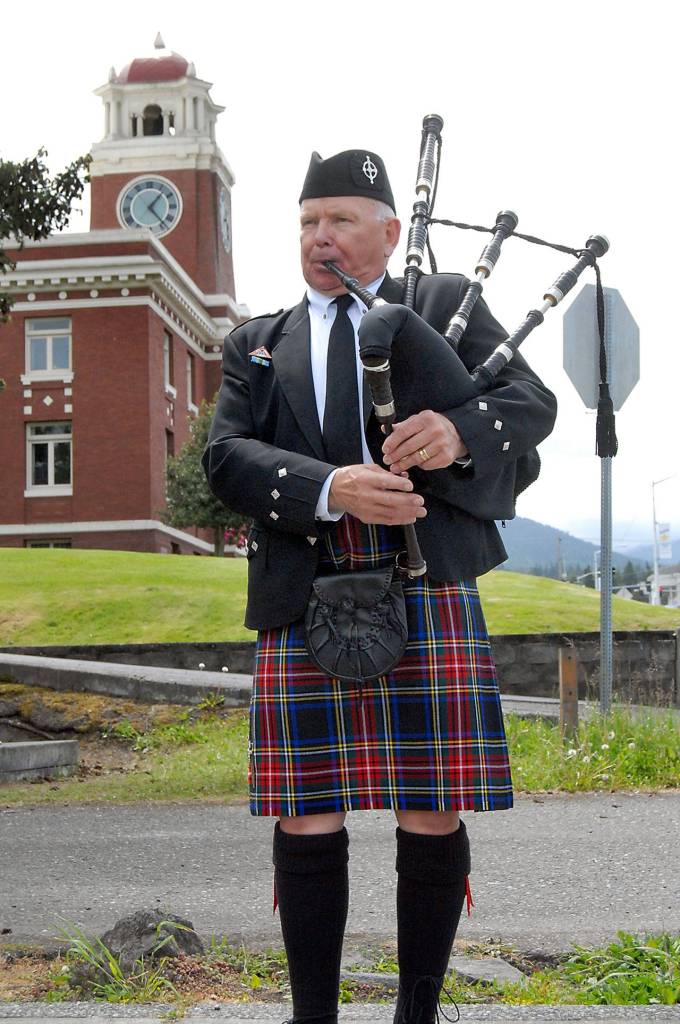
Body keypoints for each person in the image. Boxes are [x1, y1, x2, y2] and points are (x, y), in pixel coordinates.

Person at [203, 148, 557, 1024]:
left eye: (340, 220)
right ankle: (313, 1016)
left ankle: (417, 1014)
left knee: (430, 808)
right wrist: (333, 487)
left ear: (390, 232)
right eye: (307, 222)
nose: (320, 237)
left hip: (423, 582)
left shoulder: (440, 307)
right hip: (304, 589)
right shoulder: (256, 342)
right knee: (306, 812)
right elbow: (226, 456)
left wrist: (455, 429)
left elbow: (529, 400)